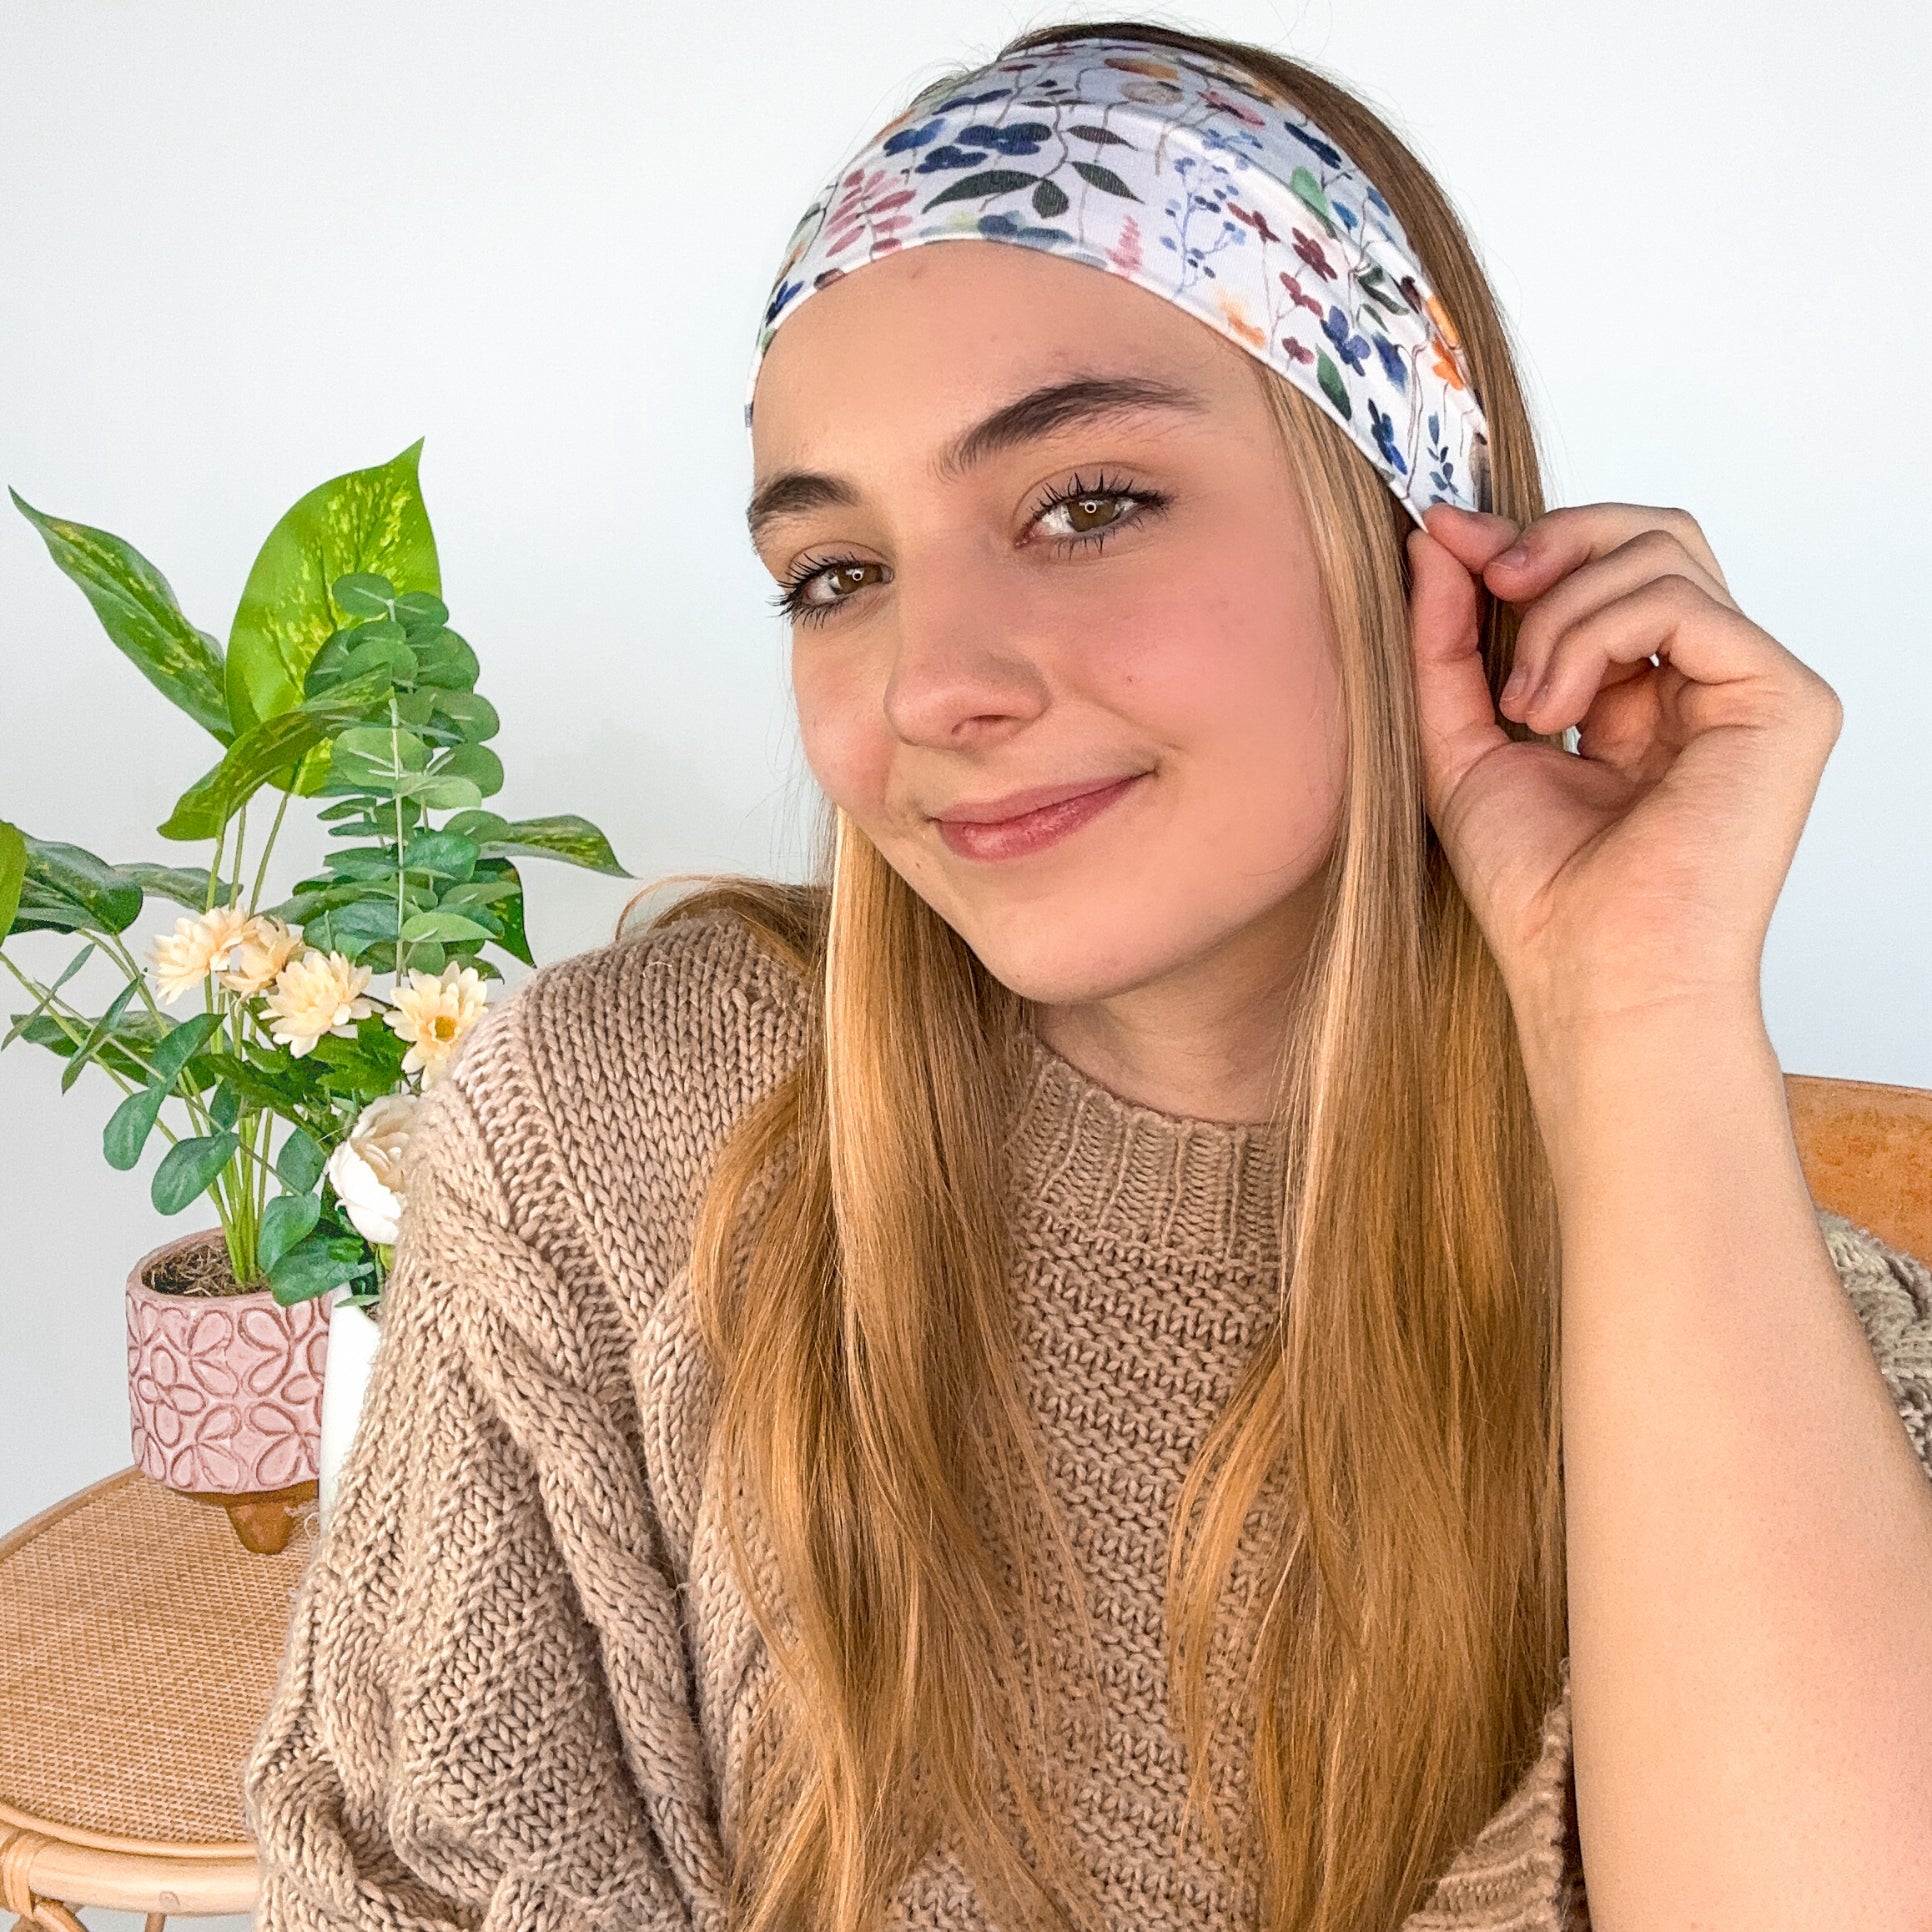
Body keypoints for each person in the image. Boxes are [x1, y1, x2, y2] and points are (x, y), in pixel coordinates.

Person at [241, 21, 1932, 1932]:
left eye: (1089, 504)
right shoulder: (627, 1139)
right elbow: (418, 1879)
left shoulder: (1763, 1333)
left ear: (1422, 547)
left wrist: (1642, 1008)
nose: (928, 684)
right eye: (833, 575)